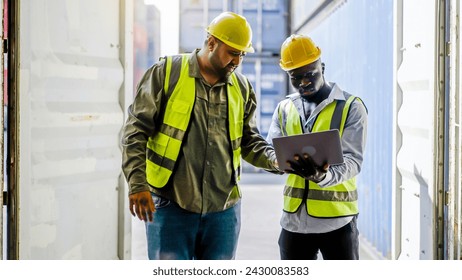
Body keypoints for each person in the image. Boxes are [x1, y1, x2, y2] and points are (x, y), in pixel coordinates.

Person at [121, 11, 279, 260]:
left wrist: (276, 160)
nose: (237, 61)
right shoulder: (167, 73)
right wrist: (137, 184)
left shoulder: (242, 88)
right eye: (232, 52)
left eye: (242, 54)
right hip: (171, 205)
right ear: (212, 43)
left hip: (223, 211)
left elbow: (249, 141)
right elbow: (135, 131)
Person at [266, 34, 368, 260]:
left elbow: (353, 161)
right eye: (296, 77)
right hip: (293, 223)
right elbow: (270, 150)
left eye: (310, 74)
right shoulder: (284, 108)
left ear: (322, 66)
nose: (304, 82)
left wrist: (322, 176)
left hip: (338, 223)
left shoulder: (351, 107)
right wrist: (274, 162)